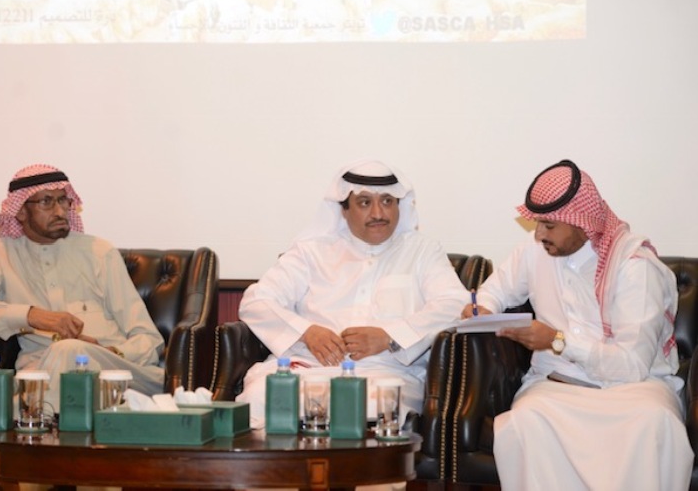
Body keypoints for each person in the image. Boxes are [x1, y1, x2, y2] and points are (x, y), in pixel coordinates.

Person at [463, 160, 693, 490]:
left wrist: (557, 341)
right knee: (525, 421)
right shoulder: (534, 252)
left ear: (581, 223)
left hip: (631, 393)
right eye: (537, 224)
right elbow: (494, 290)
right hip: (554, 387)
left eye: (549, 225)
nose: (539, 234)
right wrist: (482, 307)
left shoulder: (635, 267)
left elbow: (632, 365)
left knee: (654, 424)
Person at [237, 159, 470, 428]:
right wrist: (306, 332)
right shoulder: (310, 252)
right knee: (261, 397)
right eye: (364, 202)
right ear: (344, 210)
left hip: (384, 374)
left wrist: (390, 337)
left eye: (387, 201)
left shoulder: (422, 251)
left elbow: (455, 304)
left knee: (366, 405)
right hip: (311, 369)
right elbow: (256, 301)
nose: (378, 213)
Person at [0, 164, 165, 413]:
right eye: (47, 202)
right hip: (41, 374)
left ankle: (29, 421)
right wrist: (31, 315)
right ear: (20, 211)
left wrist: (108, 351)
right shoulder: (2, 254)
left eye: (63, 200)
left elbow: (149, 338)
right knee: (57, 361)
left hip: (116, 374)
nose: (60, 211)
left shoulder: (98, 252)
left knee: (69, 350)